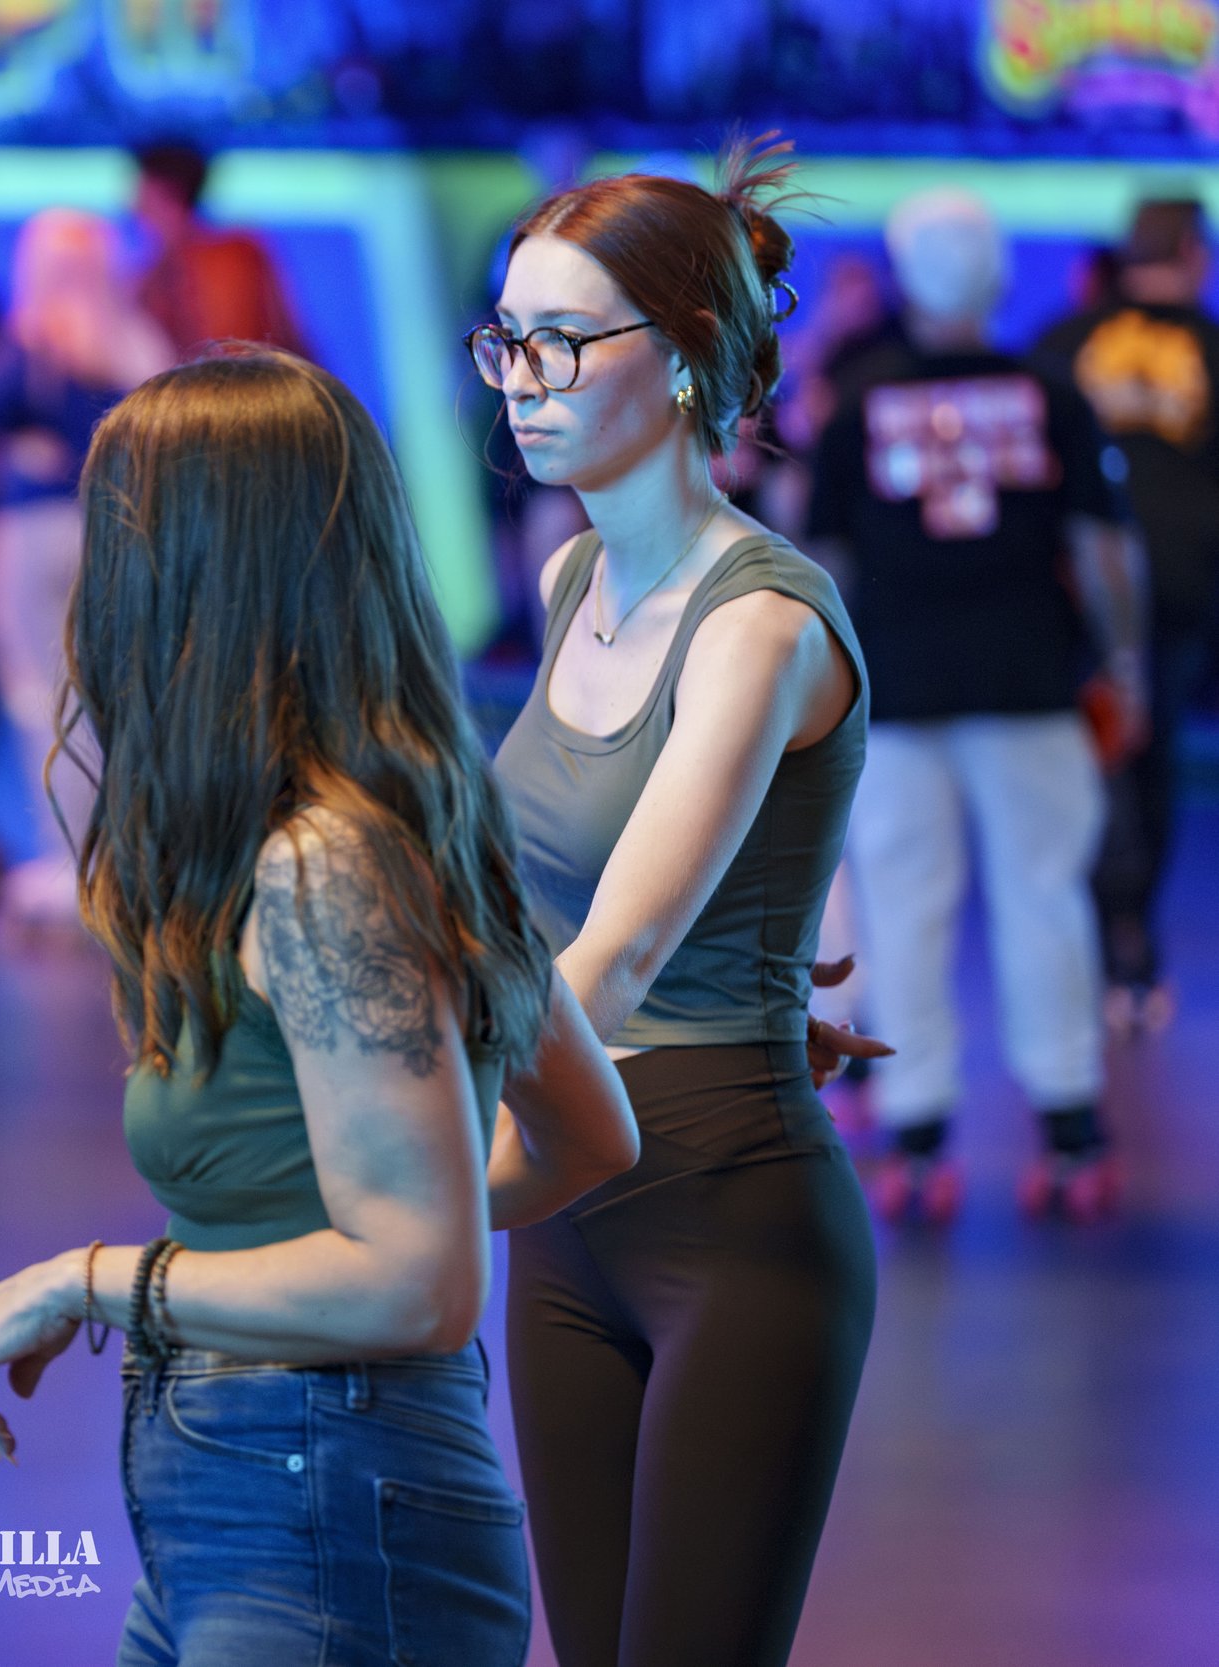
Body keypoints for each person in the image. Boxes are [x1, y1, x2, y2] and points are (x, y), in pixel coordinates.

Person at [0, 349, 639, 1666]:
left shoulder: (324, 865)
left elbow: (420, 1283)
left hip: (320, 1492)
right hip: (268, 1487)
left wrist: (92, 1281)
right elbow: (589, 1134)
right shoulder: (395, 817)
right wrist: (365, 1215)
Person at [474, 137, 889, 1667]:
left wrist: (407, 1155)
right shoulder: (571, 578)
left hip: (730, 1222)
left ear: (694, 355)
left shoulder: (760, 622)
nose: (523, 377)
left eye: (564, 342)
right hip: (564, 1212)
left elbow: (619, 947)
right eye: (507, 340)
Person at [807, 189, 1144, 1223]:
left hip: (897, 698)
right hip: (1031, 688)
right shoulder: (1050, 394)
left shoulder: (855, 406)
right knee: (1047, 900)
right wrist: (1123, 659)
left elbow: (819, 559)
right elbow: (1098, 550)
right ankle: (1069, 1130)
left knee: (905, 911)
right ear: (997, 273)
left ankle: (914, 1141)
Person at [0, 208, 173, 929]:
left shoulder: (33, 339)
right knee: (111, 701)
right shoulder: (136, 342)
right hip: (116, 532)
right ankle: (120, 863)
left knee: (40, 701)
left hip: (31, 531)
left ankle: (75, 861)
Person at [1033, 198, 1219, 1037]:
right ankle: (1130, 948)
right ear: (1192, 252)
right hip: (1182, 585)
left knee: (1087, 766)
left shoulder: (1062, 344)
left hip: (1070, 587)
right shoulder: (1212, 347)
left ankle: (1101, 947)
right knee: (1148, 762)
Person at [131, 141, 308, 359]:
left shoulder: (227, 258)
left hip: (237, 388)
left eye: (139, 188)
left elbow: (231, 350)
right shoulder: (157, 269)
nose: (132, 204)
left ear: (163, 190)